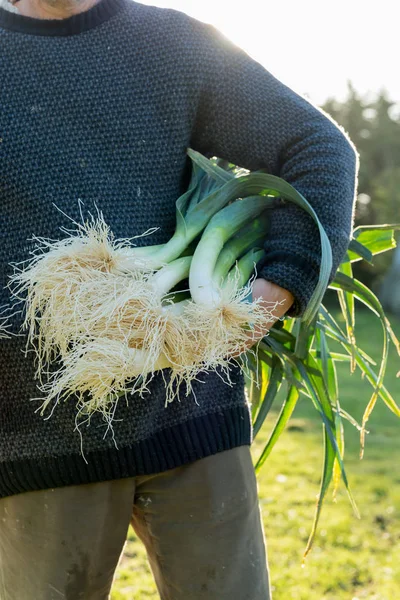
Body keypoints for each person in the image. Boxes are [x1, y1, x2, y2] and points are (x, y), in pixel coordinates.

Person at [0, 0, 358, 598]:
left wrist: (281, 283)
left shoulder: (174, 44)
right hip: (37, 433)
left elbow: (319, 147)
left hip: (192, 409)